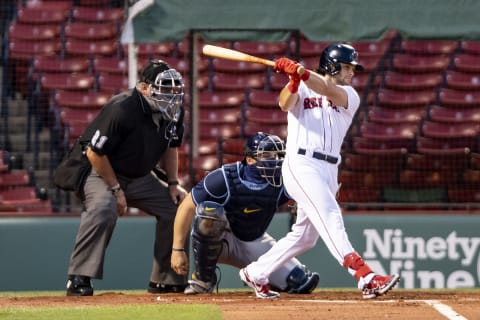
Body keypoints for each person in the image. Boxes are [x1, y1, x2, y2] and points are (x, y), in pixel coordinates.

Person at [240, 44, 400, 299]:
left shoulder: (349, 94)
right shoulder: (302, 86)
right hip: (301, 164)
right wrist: (294, 80)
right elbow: (284, 104)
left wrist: (300, 72)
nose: (351, 72)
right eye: (347, 67)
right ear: (332, 65)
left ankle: (256, 272)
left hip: (329, 169)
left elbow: (325, 88)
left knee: (305, 237)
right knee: (330, 214)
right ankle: (365, 276)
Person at [64, 60, 189, 296]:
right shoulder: (122, 107)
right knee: (103, 207)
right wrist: (116, 190)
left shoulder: (175, 111)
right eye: (164, 87)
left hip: (140, 175)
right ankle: (78, 277)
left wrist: (173, 183)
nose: (171, 94)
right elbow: (95, 152)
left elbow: (171, 147)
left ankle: (166, 279)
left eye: (174, 88)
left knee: (177, 208)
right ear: (144, 87)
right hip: (101, 171)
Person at [170, 132, 319, 298]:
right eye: (267, 155)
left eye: (278, 155)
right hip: (222, 241)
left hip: (254, 240)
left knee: (300, 282)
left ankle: (255, 274)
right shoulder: (224, 178)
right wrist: (177, 250)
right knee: (208, 213)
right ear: (250, 159)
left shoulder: (285, 179)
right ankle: (203, 279)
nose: (275, 160)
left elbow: (311, 193)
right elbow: (186, 207)